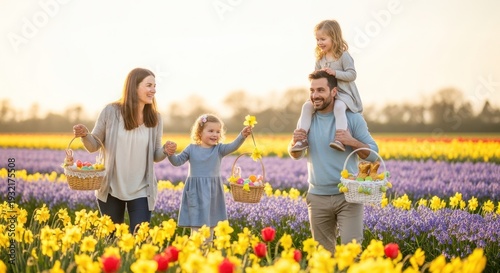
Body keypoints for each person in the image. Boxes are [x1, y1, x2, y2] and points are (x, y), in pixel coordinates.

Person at [288, 70, 378, 254]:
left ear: (334, 92)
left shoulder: (352, 119)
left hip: (348, 196)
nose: (315, 95)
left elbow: (374, 154)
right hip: (317, 196)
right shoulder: (307, 119)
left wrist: (351, 141)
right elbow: (295, 154)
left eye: (321, 90)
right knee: (323, 258)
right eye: (312, 91)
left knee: (351, 254)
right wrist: (293, 141)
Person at [72, 67, 171, 234]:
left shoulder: (155, 118)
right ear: (134, 87)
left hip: (142, 189)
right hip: (111, 188)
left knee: (139, 239)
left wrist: (166, 151)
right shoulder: (110, 112)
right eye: (149, 85)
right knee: (111, 239)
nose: (153, 90)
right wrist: (84, 135)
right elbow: (93, 145)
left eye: (154, 86)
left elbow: (155, 155)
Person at [164, 113, 252, 240]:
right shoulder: (191, 149)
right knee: (196, 225)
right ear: (200, 133)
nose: (215, 134)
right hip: (195, 190)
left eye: (218, 131)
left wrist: (242, 136)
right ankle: (196, 250)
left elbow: (233, 146)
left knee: (210, 225)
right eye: (210, 131)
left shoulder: (219, 149)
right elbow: (177, 162)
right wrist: (170, 154)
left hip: (212, 192)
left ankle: (207, 251)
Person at [291, 19, 363, 153]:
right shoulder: (320, 58)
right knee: (306, 106)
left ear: (334, 38)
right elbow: (316, 76)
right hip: (326, 93)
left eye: (323, 39)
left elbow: (352, 74)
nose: (319, 43)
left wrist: (335, 73)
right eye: (317, 40)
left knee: (339, 106)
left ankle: (340, 139)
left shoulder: (343, 56)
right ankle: (302, 139)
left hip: (344, 93)